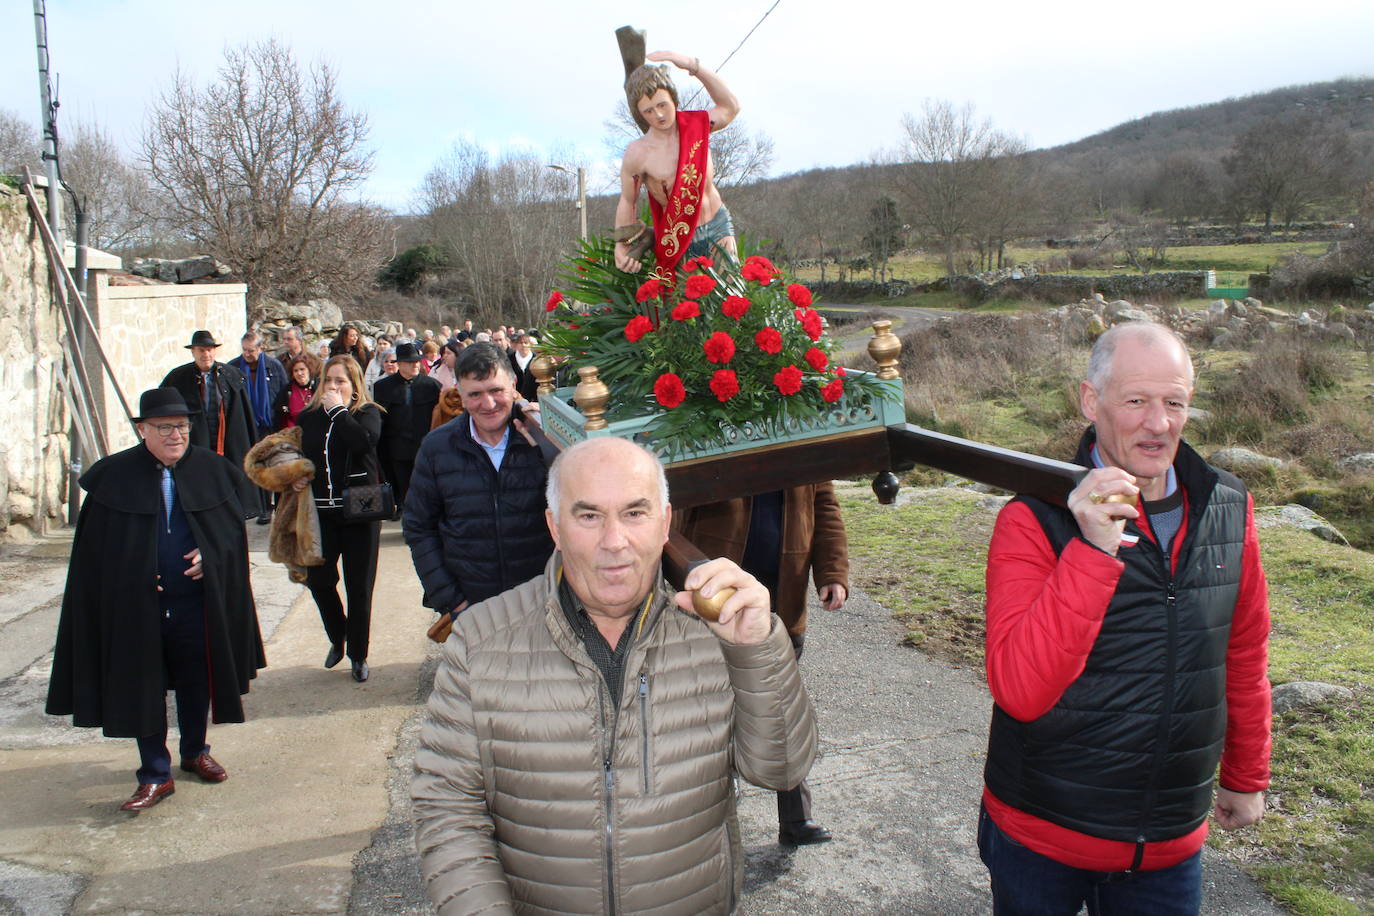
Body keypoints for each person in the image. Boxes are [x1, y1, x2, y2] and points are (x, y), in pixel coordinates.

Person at [412, 436, 817, 915]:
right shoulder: (481, 639)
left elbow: (782, 769)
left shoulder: (716, 635)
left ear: (665, 523)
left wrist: (756, 649)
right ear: (554, 526)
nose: (614, 541)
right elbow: (447, 806)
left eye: (635, 513)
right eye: (588, 516)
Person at [978, 323, 1271, 915]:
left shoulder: (1227, 506)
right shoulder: (1032, 518)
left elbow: (1242, 652)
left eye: (1174, 403)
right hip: (1042, 835)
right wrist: (1092, 550)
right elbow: (1020, 689)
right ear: (1090, 401)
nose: (1158, 424)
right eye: (1136, 401)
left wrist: (1245, 772)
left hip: (1168, 844)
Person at [46, 387, 265, 811]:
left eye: (182, 426)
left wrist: (211, 554)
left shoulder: (211, 470)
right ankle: (154, 774)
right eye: (164, 427)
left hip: (195, 602)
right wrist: (134, 571)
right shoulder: (113, 477)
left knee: (195, 678)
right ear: (142, 429)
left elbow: (231, 536)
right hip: (138, 606)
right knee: (142, 684)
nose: (175, 435)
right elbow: (95, 553)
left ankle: (195, 751)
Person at [674, 483, 848, 846]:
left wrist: (832, 572)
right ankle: (711, 816)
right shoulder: (713, 427)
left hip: (783, 598)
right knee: (710, 711)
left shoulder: (805, 439)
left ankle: (796, 818)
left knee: (780, 704)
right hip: (717, 603)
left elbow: (825, 505)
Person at [403, 342, 552, 626]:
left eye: (496, 390)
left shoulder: (539, 438)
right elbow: (418, 527)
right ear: (459, 392)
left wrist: (547, 449)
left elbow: (576, 509)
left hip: (541, 602)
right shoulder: (437, 448)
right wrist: (452, 600)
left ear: (513, 384)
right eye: (475, 394)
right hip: (473, 609)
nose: (489, 404)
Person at [295, 356, 384, 683]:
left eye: (341, 381)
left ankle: (358, 654)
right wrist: (295, 476)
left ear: (354, 385)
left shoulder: (368, 413)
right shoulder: (308, 418)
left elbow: (363, 442)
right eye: (329, 380)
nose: (333, 387)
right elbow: (298, 457)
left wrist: (339, 411)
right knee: (317, 580)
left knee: (359, 586)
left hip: (360, 509)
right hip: (321, 512)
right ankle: (339, 634)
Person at [614, 49, 739, 277]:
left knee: (730, 303)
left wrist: (692, 65)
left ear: (673, 98)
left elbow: (730, 107)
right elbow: (627, 200)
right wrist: (621, 245)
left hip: (718, 224)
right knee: (686, 309)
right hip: (677, 239)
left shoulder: (696, 126)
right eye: (649, 111)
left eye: (663, 105)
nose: (659, 115)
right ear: (640, 113)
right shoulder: (638, 153)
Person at [161, 330, 260, 520]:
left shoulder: (231, 375)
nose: (206, 354)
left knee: (228, 479)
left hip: (227, 438)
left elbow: (242, 414)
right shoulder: (177, 378)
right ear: (193, 352)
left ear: (214, 352)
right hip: (196, 439)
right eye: (201, 350)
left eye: (209, 350)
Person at [372, 342, 442, 515]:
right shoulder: (382, 387)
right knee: (404, 487)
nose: (415, 365)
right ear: (400, 364)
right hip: (397, 448)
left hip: (425, 447)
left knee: (425, 487)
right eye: (411, 362)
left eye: (417, 361)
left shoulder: (432, 386)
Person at [228, 331, 288, 524]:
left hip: (268, 424)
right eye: (244, 350)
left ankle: (269, 507)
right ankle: (257, 506)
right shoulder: (233, 368)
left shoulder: (274, 366)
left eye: (251, 350)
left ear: (261, 348)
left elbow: (282, 393)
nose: (248, 354)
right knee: (251, 465)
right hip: (245, 425)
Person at [274, 355, 318, 430]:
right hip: (294, 433)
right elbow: (281, 417)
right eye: (296, 371)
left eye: (302, 369)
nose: (299, 373)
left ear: (309, 370)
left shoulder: (319, 386)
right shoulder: (286, 390)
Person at [508, 332, 538, 402]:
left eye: (526, 343)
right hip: (514, 399)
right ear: (516, 345)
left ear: (530, 344)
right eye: (521, 343)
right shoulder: (509, 359)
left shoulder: (536, 359)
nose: (523, 345)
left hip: (533, 400)